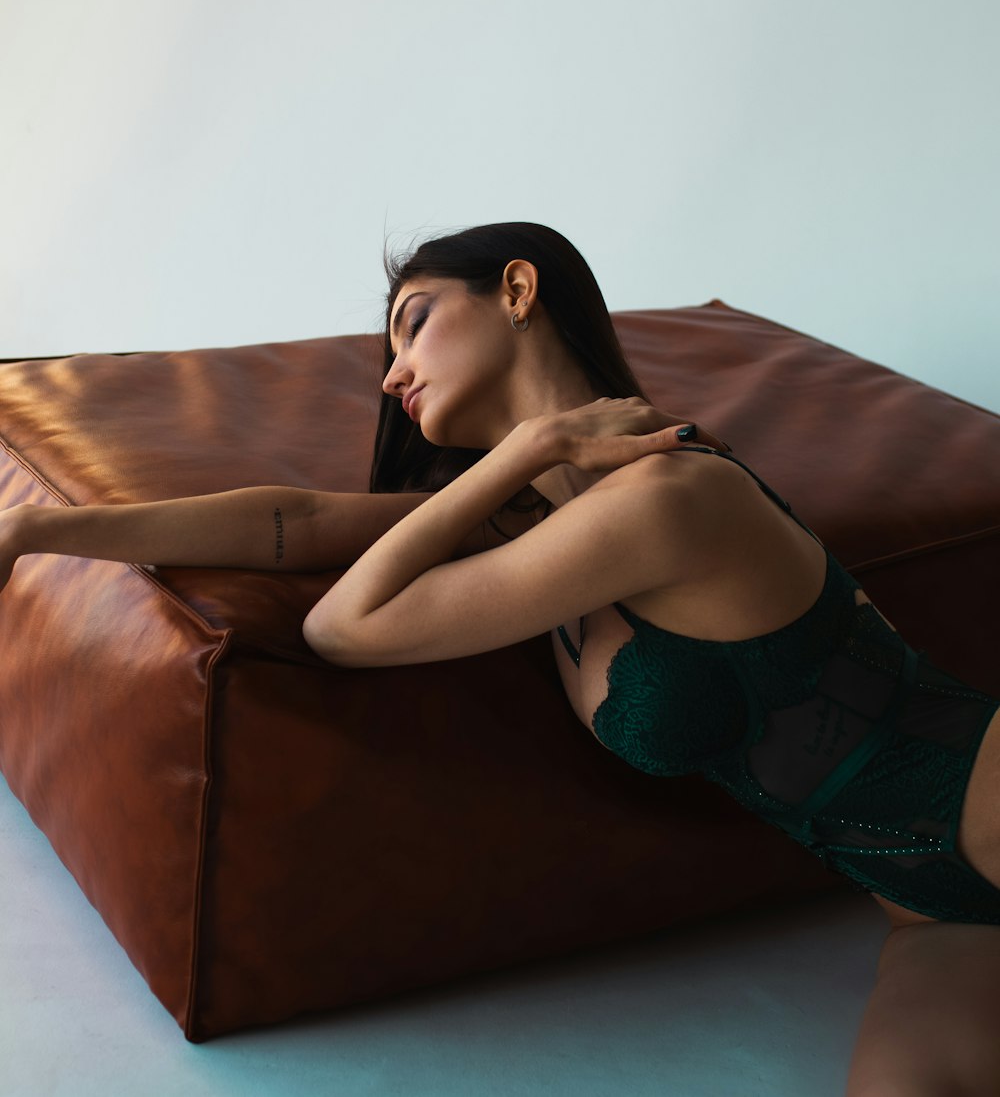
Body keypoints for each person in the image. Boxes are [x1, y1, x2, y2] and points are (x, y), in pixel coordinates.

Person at [2, 219, 999, 1095]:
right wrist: (34, 532)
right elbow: (296, 522)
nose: (391, 374)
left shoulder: (666, 497)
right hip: (926, 910)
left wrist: (524, 453)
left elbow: (343, 626)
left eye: (413, 322)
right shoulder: (532, 527)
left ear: (516, 290)